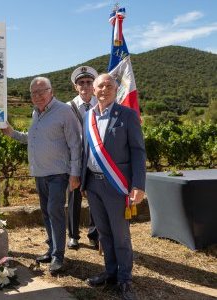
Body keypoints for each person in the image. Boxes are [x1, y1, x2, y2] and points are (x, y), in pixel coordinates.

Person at [1, 77, 81, 274]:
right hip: (40, 173)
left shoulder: (64, 111)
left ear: (51, 91)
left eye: (41, 91)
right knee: (46, 212)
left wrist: (75, 173)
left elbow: (75, 144)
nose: (37, 96)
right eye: (33, 93)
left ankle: (58, 256)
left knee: (55, 211)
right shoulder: (36, 113)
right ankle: (51, 248)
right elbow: (33, 138)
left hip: (58, 173)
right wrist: (12, 133)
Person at [81, 74, 146, 300]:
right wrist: (81, 180)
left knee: (121, 236)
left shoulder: (127, 115)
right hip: (93, 184)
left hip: (117, 185)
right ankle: (110, 272)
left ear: (116, 89)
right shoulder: (88, 116)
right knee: (104, 233)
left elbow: (138, 151)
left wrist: (138, 184)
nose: (104, 89)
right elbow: (85, 151)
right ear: (94, 90)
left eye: (109, 86)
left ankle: (125, 279)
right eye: (100, 86)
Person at [66, 66, 100, 250]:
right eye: (81, 82)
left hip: (95, 159)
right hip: (76, 159)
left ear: (94, 84)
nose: (85, 85)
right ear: (75, 86)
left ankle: (94, 234)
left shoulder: (101, 104)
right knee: (73, 198)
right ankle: (73, 235)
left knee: (95, 197)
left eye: (89, 82)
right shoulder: (67, 107)